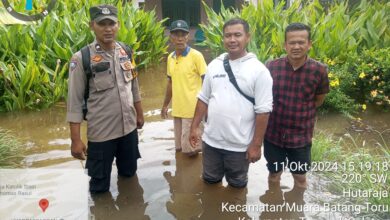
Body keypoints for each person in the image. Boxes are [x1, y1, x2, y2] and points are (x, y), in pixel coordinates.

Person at [66, 4, 144, 193]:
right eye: (102, 24)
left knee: (129, 175)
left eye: (112, 23)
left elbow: (134, 86)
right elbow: (74, 102)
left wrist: (139, 115)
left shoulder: (126, 51)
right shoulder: (81, 58)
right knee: (99, 187)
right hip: (102, 134)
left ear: (118, 25)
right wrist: (75, 140)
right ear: (92, 25)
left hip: (129, 130)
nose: (108, 28)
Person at [189, 18, 273, 188]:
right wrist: (194, 127)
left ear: (247, 37)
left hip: (239, 147)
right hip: (211, 142)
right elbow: (203, 99)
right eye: (228, 35)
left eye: (237, 35)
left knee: (237, 187)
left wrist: (256, 145)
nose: (232, 40)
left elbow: (263, 112)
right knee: (210, 182)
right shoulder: (214, 65)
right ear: (223, 39)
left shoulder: (259, 71)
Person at [264, 23, 329, 189]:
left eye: (301, 42)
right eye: (292, 42)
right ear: (285, 44)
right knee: (273, 175)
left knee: (300, 179)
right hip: (273, 135)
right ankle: (273, 208)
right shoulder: (271, 67)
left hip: (300, 137)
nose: (296, 46)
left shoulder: (319, 70)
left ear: (309, 44)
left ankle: (297, 212)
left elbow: (319, 99)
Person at [161, 20, 207, 156]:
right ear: (171, 37)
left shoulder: (196, 56)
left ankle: (195, 176)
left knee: (192, 151)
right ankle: (183, 175)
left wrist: (207, 108)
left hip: (193, 112)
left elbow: (207, 81)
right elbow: (170, 83)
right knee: (180, 149)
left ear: (187, 36)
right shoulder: (170, 57)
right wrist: (165, 105)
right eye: (176, 34)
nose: (180, 38)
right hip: (178, 111)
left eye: (183, 35)